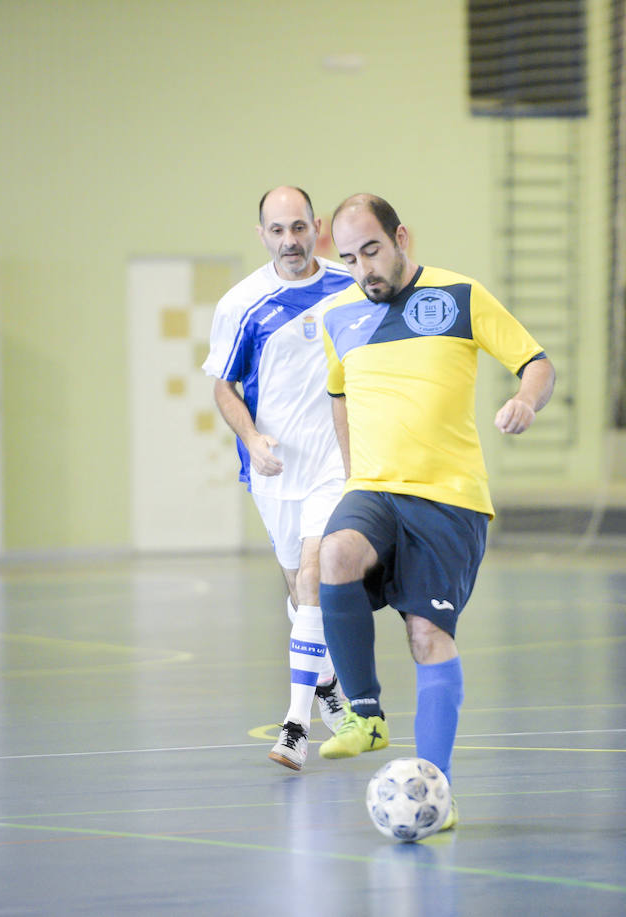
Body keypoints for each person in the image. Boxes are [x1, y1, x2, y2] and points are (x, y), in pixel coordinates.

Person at [316, 193, 556, 832]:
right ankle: (364, 714)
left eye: (372, 249)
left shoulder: (460, 296)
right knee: (333, 552)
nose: (363, 268)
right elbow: (340, 395)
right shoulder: (336, 316)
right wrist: (350, 472)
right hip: (374, 486)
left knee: (427, 636)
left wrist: (526, 403)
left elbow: (537, 363)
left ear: (401, 238)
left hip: (449, 499)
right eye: (349, 258)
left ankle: (436, 790)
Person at [202, 186, 355, 770]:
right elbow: (223, 385)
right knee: (299, 593)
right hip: (274, 471)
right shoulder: (241, 304)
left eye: (299, 228)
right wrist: (251, 438)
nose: (291, 241)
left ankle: (295, 726)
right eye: (277, 231)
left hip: (337, 466)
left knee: (314, 581)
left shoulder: (349, 285)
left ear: (316, 226)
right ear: (261, 234)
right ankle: (328, 687)